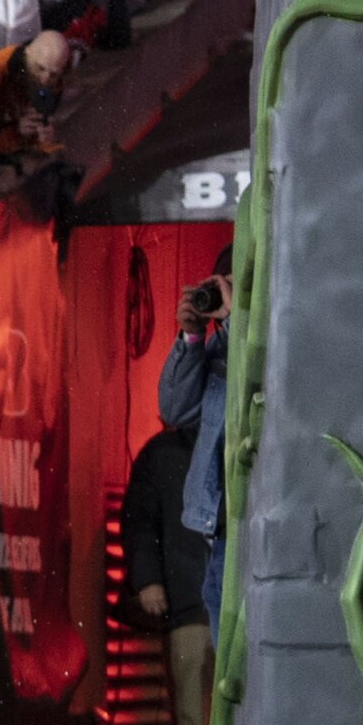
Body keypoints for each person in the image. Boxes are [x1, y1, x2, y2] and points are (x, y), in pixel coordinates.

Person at [121, 423, 211, 725]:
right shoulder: (162, 452)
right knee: (194, 706)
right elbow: (141, 518)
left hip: (218, 598)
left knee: (207, 705)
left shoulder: (238, 435)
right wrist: (148, 579)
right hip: (189, 598)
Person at [160, 248, 234, 637]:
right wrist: (191, 334)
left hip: (246, 525)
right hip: (217, 528)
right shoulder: (217, 348)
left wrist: (239, 319)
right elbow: (175, 410)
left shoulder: (270, 346)